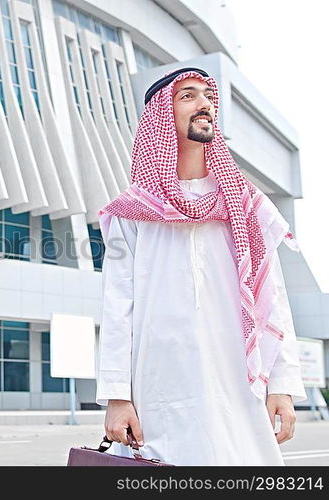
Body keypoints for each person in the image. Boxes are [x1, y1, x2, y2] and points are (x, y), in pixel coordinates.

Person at [95, 67, 307, 466]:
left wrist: (281, 384)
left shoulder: (244, 205)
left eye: (208, 95)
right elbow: (117, 308)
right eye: (188, 96)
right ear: (160, 117)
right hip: (158, 388)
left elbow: (273, 301)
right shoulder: (131, 212)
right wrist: (117, 396)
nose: (205, 103)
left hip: (239, 389)